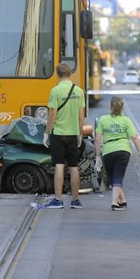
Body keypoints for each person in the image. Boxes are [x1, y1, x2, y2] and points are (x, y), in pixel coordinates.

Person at [43, 63, 86, 209]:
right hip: (73, 134)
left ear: (57, 74)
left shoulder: (55, 91)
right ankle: (75, 200)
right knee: (74, 167)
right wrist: (80, 133)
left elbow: (52, 114)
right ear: (70, 74)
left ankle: (58, 200)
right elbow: (81, 117)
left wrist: (46, 133)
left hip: (58, 134)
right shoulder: (79, 91)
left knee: (59, 166)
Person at [94, 96, 140, 211]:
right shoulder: (126, 120)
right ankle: (114, 203)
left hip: (107, 152)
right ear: (122, 108)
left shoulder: (102, 119)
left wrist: (98, 157)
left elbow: (97, 139)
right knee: (117, 177)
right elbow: (134, 137)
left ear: (110, 106)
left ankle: (122, 200)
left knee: (113, 178)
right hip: (123, 151)